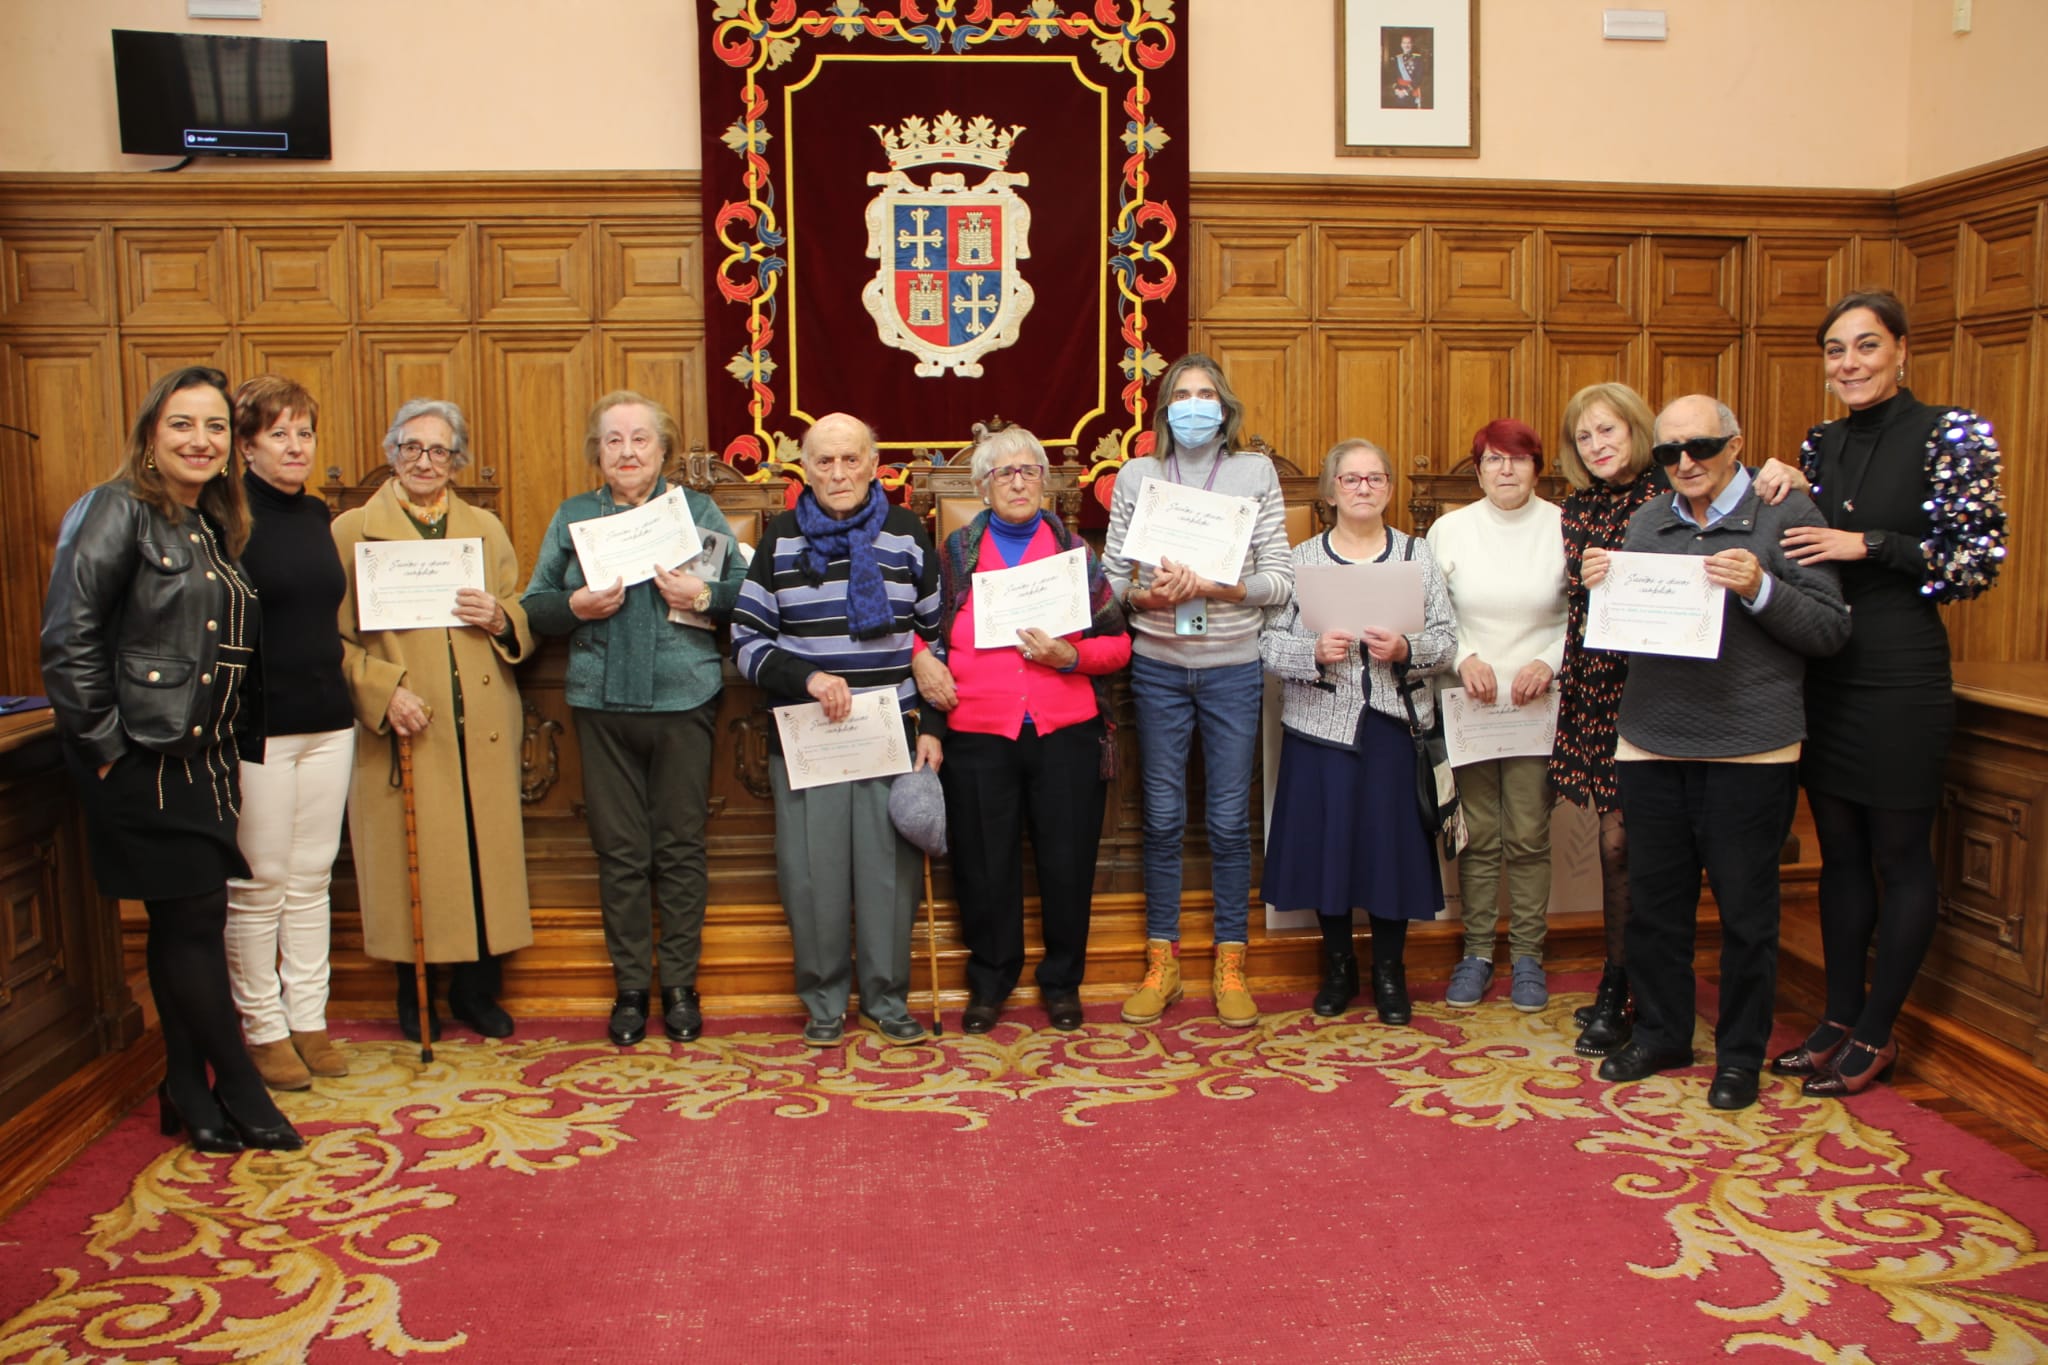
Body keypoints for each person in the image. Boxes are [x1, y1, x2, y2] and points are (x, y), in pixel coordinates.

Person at [41, 365, 301, 1153]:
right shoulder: (114, 510)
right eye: (183, 424)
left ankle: (185, 1087)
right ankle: (242, 1087)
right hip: (143, 759)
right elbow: (69, 640)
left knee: (184, 927)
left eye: (216, 426)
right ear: (151, 437)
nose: (202, 440)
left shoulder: (212, 524)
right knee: (192, 925)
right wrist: (108, 753)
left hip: (207, 761)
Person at [1753, 290, 2006, 1097]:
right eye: (1836, 350)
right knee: (1841, 858)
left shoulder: (1950, 432)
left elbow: (1977, 561)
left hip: (1902, 672)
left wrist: (1870, 543)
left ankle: (1877, 1029)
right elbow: (1803, 545)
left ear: (1901, 349)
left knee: (1900, 856)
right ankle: (1835, 1017)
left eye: (1866, 346)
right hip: (1827, 668)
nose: (1850, 363)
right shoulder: (1819, 444)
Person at [1589, 395, 1850, 1112]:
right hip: (1651, 740)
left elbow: (1830, 629)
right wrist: (1603, 593)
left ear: (1736, 444)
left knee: (1745, 913)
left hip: (1751, 747)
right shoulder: (1649, 520)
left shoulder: (1787, 512)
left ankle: (1738, 1055)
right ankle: (1665, 1031)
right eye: (1670, 452)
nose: (1685, 463)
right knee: (1656, 907)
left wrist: (1761, 587)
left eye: (1700, 446)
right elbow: (1632, 629)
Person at [522, 392, 747, 1047]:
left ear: (663, 449)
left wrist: (701, 593)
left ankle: (678, 985)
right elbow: (534, 606)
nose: (626, 451)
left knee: (680, 848)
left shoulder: (696, 512)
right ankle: (629, 988)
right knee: (619, 853)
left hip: (683, 699)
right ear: (598, 451)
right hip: (600, 704)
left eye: (640, 439)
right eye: (613, 440)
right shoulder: (574, 517)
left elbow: (743, 597)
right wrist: (576, 605)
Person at [731, 412, 945, 1046]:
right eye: (824, 461)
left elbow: (936, 641)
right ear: (805, 467)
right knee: (812, 875)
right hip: (810, 734)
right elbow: (746, 640)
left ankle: (886, 1000)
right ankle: (824, 1001)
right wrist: (806, 678)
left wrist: (932, 725)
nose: (839, 473)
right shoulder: (782, 538)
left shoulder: (908, 535)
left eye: (851, 459)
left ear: (876, 464)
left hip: (891, 728)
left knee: (888, 876)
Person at [334, 399, 534, 1042]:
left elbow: (516, 607)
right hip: (406, 721)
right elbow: (328, 639)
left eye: (439, 450)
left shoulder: (485, 526)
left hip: (482, 718)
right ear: (391, 453)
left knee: (482, 855)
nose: (425, 462)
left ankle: (479, 992)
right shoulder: (351, 532)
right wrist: (382, 691)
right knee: (411, 860)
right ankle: (415, 995)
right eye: (412, 448)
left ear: (457, 460)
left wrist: (501, 619)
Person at [1103, 353, 1294, 1029]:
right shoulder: (1138, 473)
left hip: (1232, 665)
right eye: (1180, 394)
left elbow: (1281, 579)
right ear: (1163, 407)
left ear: (1224, 405)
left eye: (1204, 394)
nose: (1192, 405)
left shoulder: (1254, 473)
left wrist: (1218, 587)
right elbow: (1111, 579)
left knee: (1225, 820)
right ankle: (1164, 961)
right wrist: (1142, 595)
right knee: (1158, 818)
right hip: (1156, 664)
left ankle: (1230, 960)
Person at [919, 426, 1129, 1034]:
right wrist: (922, 662)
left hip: (1066, 729)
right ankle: (991, 982)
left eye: (1028, 471)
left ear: (1044, 482)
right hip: (978, 732)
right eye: (1003, 473)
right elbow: (919, 633)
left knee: (1068, 862)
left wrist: (1072, 657)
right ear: (983, 487)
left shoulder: (1075, 555)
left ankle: (1063, 983)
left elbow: (1118, 645)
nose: (1017, 481)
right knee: (984, 865)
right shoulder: (953, 555)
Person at [1261, 439, 1457, 1022]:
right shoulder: (1301, 561)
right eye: (1351, 480)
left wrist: (1407, 648)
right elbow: (1269, 643)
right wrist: (1311, 652)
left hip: (1397, 727)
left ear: (1390, 489)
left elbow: (1447, 640)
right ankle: (1339, 967)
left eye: (1375, 479)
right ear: (1329, 493)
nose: (1363, 489)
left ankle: (1390, 974)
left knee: (1390, 852)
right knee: (1331, 851)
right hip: (1321, 729)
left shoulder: (1417, 557)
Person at [222, 376, 355, 1091]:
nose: (296, 446)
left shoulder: (315, 514)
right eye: (279, 434)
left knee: (311, 878)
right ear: (244, 445)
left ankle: (309, 1018)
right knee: (260, 880)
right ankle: (264, 1026)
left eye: (304, 432)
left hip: (328, 718)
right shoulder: (227, 516)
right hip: (259, 726)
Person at [1426, 419, 1567, 1012]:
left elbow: (1582, 616)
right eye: (1491, 460)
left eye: (1518, 459)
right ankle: (1478, 952)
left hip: (1538, 702)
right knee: (1478, 835)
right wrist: (1463, 657)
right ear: (1476, 468)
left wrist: (1550, 661)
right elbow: (1431, 614)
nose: (1505, 471)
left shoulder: (1564, 527)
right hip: (1472, 703)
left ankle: (1529, 955)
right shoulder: (1449, 530)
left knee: (1530, 835)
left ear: (1537, 467)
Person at [1552, 383, 1665, 1055]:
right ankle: (1616, 981)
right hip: (1596, 690)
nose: (1596, 445)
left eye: (1607, 431)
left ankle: (1632, 986)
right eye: (1584, 436)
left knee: (1634, 846)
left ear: (1637, 430)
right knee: (1611, 843)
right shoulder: (1577, 507)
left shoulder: (1668, 496)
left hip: (1655, 690)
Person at [1386, 32, 1429, 108]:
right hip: (1398, 92)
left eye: (1409, 43)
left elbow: (1418, 78)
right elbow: (1392, 76)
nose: (1406, 45)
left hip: (1411, 92)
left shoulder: (1418, 59)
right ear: (1401, 44)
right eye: (1404, 43)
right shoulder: (1397, 59)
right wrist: (1396, 90)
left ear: (1412, 44)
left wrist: (1405, 91)